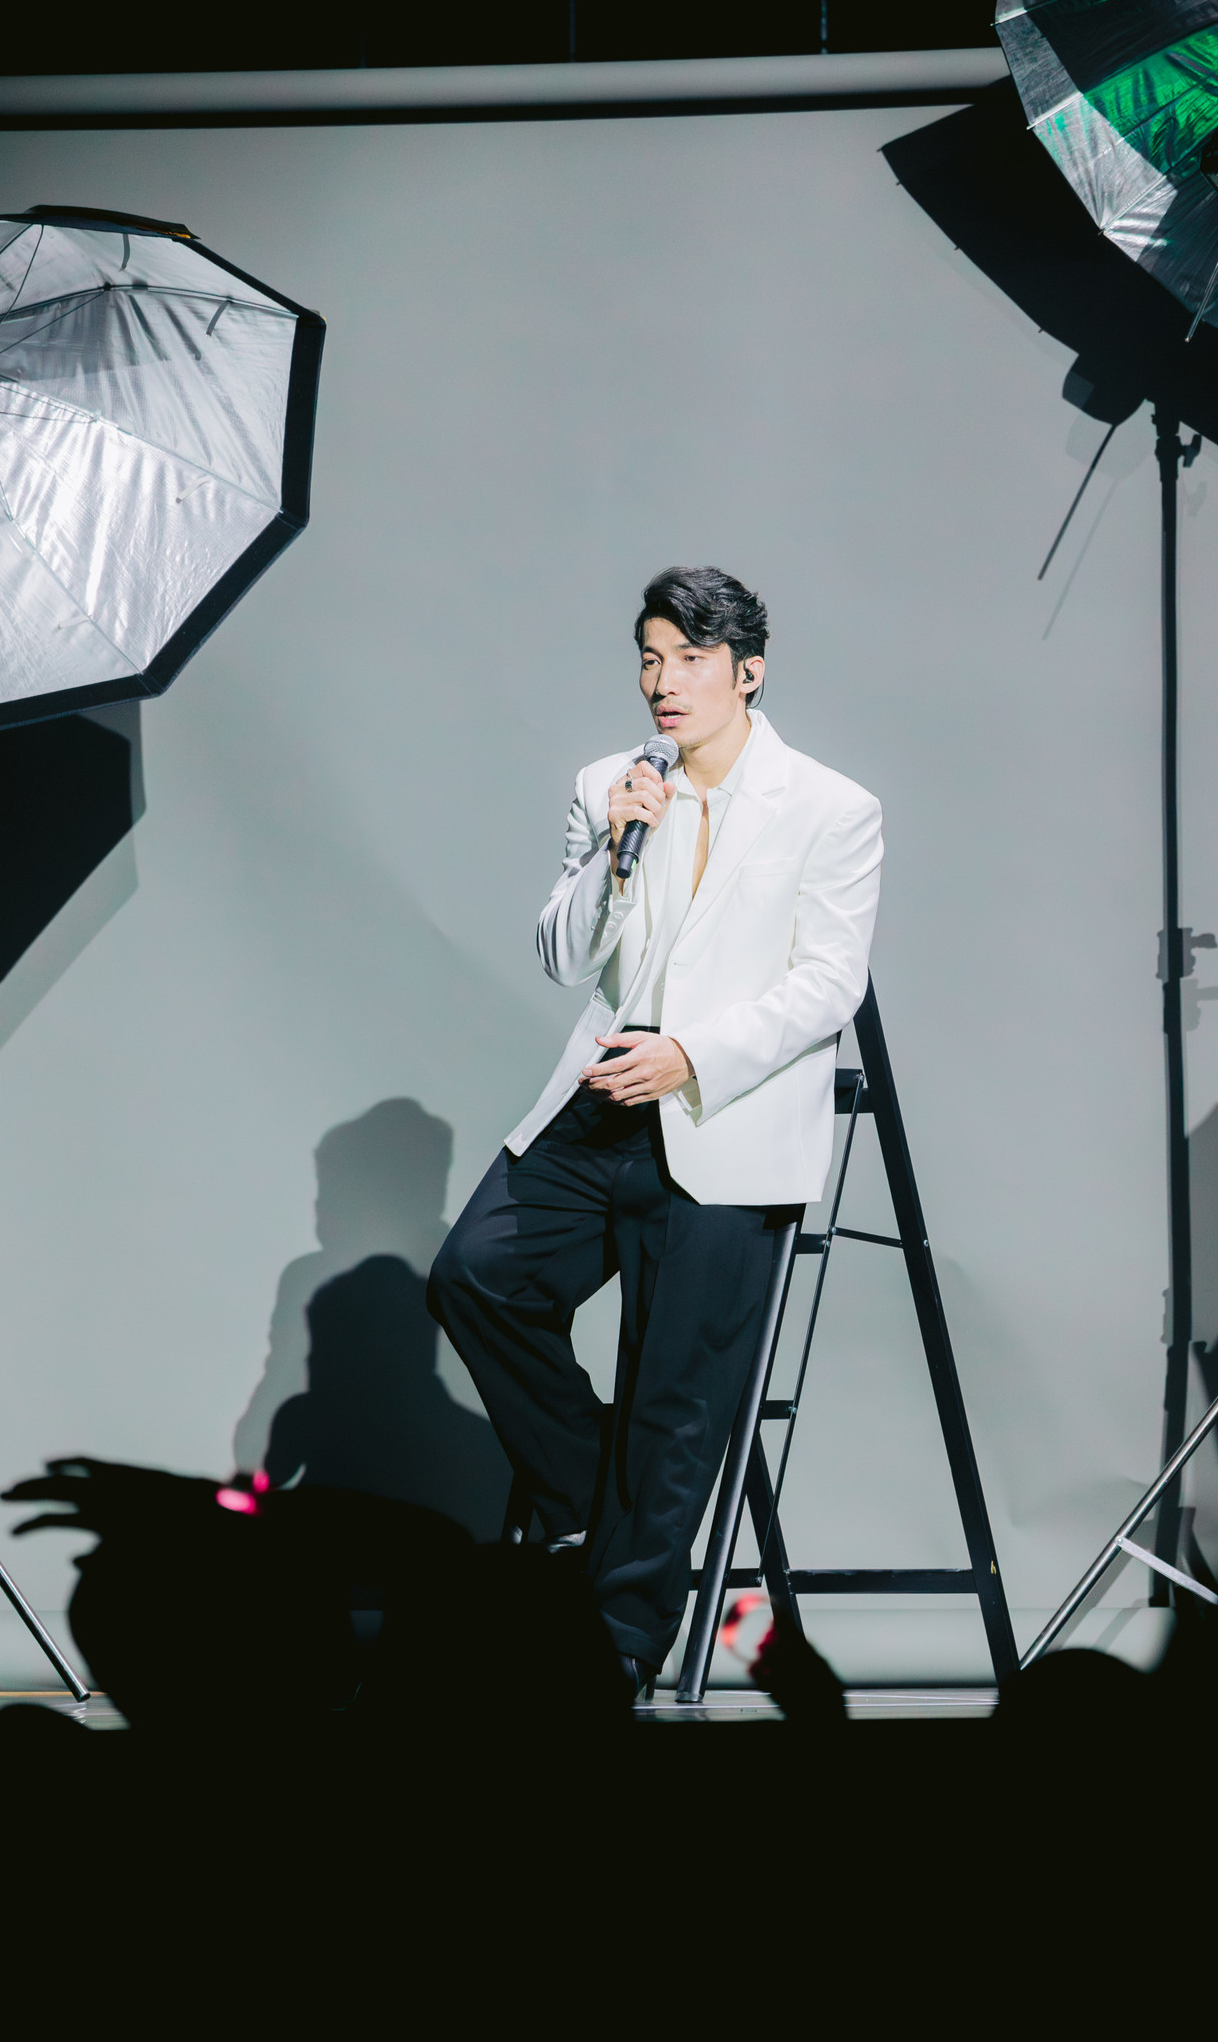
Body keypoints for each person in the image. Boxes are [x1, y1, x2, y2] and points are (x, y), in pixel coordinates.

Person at [428, 565, 883, 1692]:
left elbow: (830, 984)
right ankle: (594, 1496)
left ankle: (621, 1641)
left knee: (674, 1393)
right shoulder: (610, 785)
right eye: (648, 657)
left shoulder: (830, 807)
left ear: (748, 672)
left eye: (687, 659)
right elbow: (560, 955)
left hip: (724, 1117)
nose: (661, 681)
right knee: (476, 1276)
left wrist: (694, 1055)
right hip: (603, 1103)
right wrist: (611, 849)